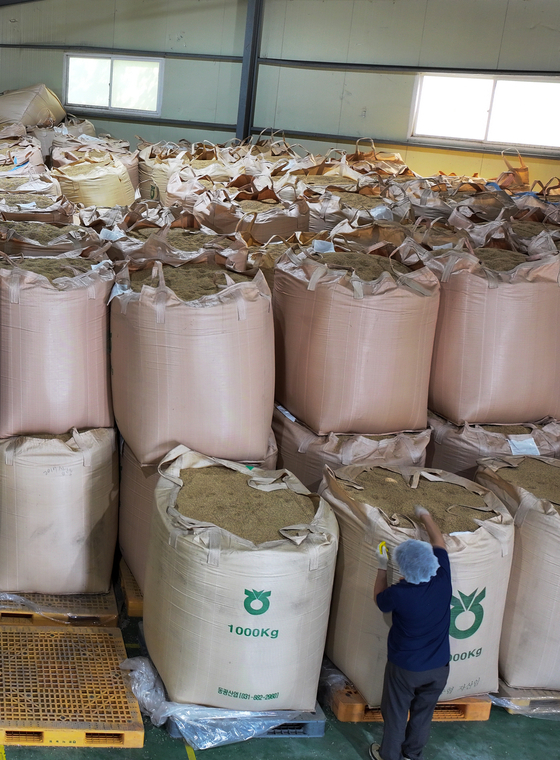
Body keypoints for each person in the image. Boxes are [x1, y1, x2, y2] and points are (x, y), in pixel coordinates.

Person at [369, 504, 452, 760]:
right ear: (431, 563)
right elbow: (439, 541)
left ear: (403, 570)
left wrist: (382, 566)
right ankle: (411, 755)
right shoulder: (443, 580)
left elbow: (379, 598)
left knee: (395, 715)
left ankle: (389, 756)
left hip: (405, 668)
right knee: (423, 715)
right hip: (439, 667)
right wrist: (425, 514)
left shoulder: (400, 594)